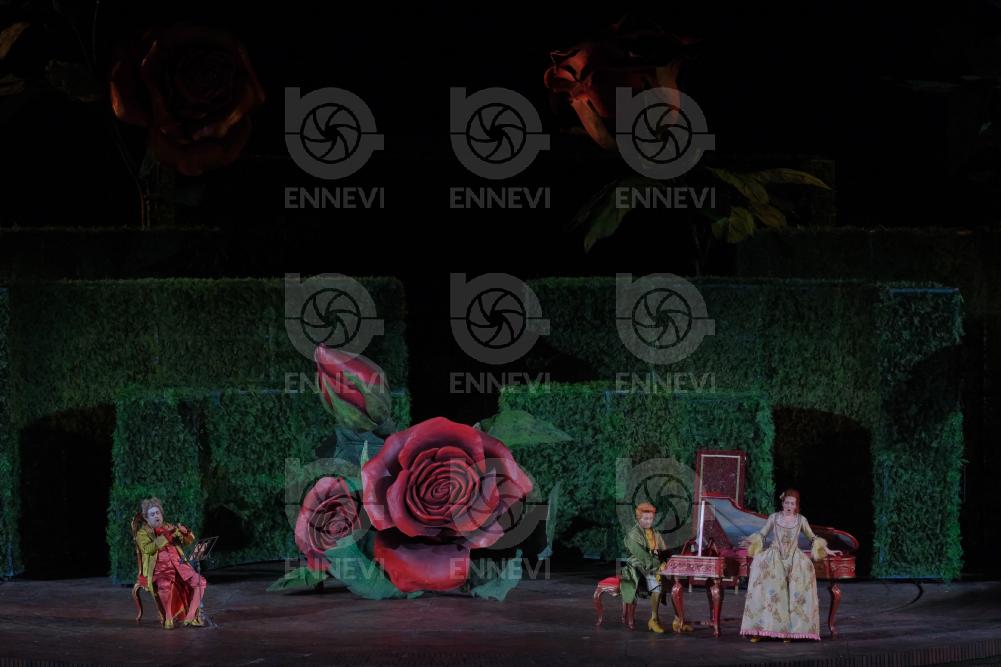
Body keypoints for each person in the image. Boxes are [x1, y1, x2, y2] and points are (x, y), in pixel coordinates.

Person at [739, 489, 829, 642]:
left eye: (792, 504)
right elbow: (762, 534)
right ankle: (760, 629)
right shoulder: (774, 517)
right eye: (787, 503)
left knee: (795, 592)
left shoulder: (801, 520)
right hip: (775, 558)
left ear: (796, 505)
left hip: (794, 559)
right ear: (782, 503)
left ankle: (789, 632)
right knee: (770, 592)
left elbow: (812, 538)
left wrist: (825, 549)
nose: (789, 506)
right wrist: (750, 541)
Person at [620, 502, 692, 634]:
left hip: (656, 564)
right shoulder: (632, 535)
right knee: (656, 582)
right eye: (645, 519)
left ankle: (678, 620)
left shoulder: (655, 532)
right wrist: (659, 565)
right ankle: (653, 620)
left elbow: (663, 550)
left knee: (675, 584)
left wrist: (667, 559)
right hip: (637, 566)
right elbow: (642, 556)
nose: (649, 521)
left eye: (651, 519)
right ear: (638, 518)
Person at [135, 497, 207, 629]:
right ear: (146, 518)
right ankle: (168, 617)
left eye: (158, 513)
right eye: (152, 514)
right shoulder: (142, 533)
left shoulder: (169, 526)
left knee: (200, 581)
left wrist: (186, 533)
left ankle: (191, 617)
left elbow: (187, 542)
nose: (156, 516)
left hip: (179, 565)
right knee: (164, 585)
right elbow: (148, 549)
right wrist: (165, 537)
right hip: (159, 568)